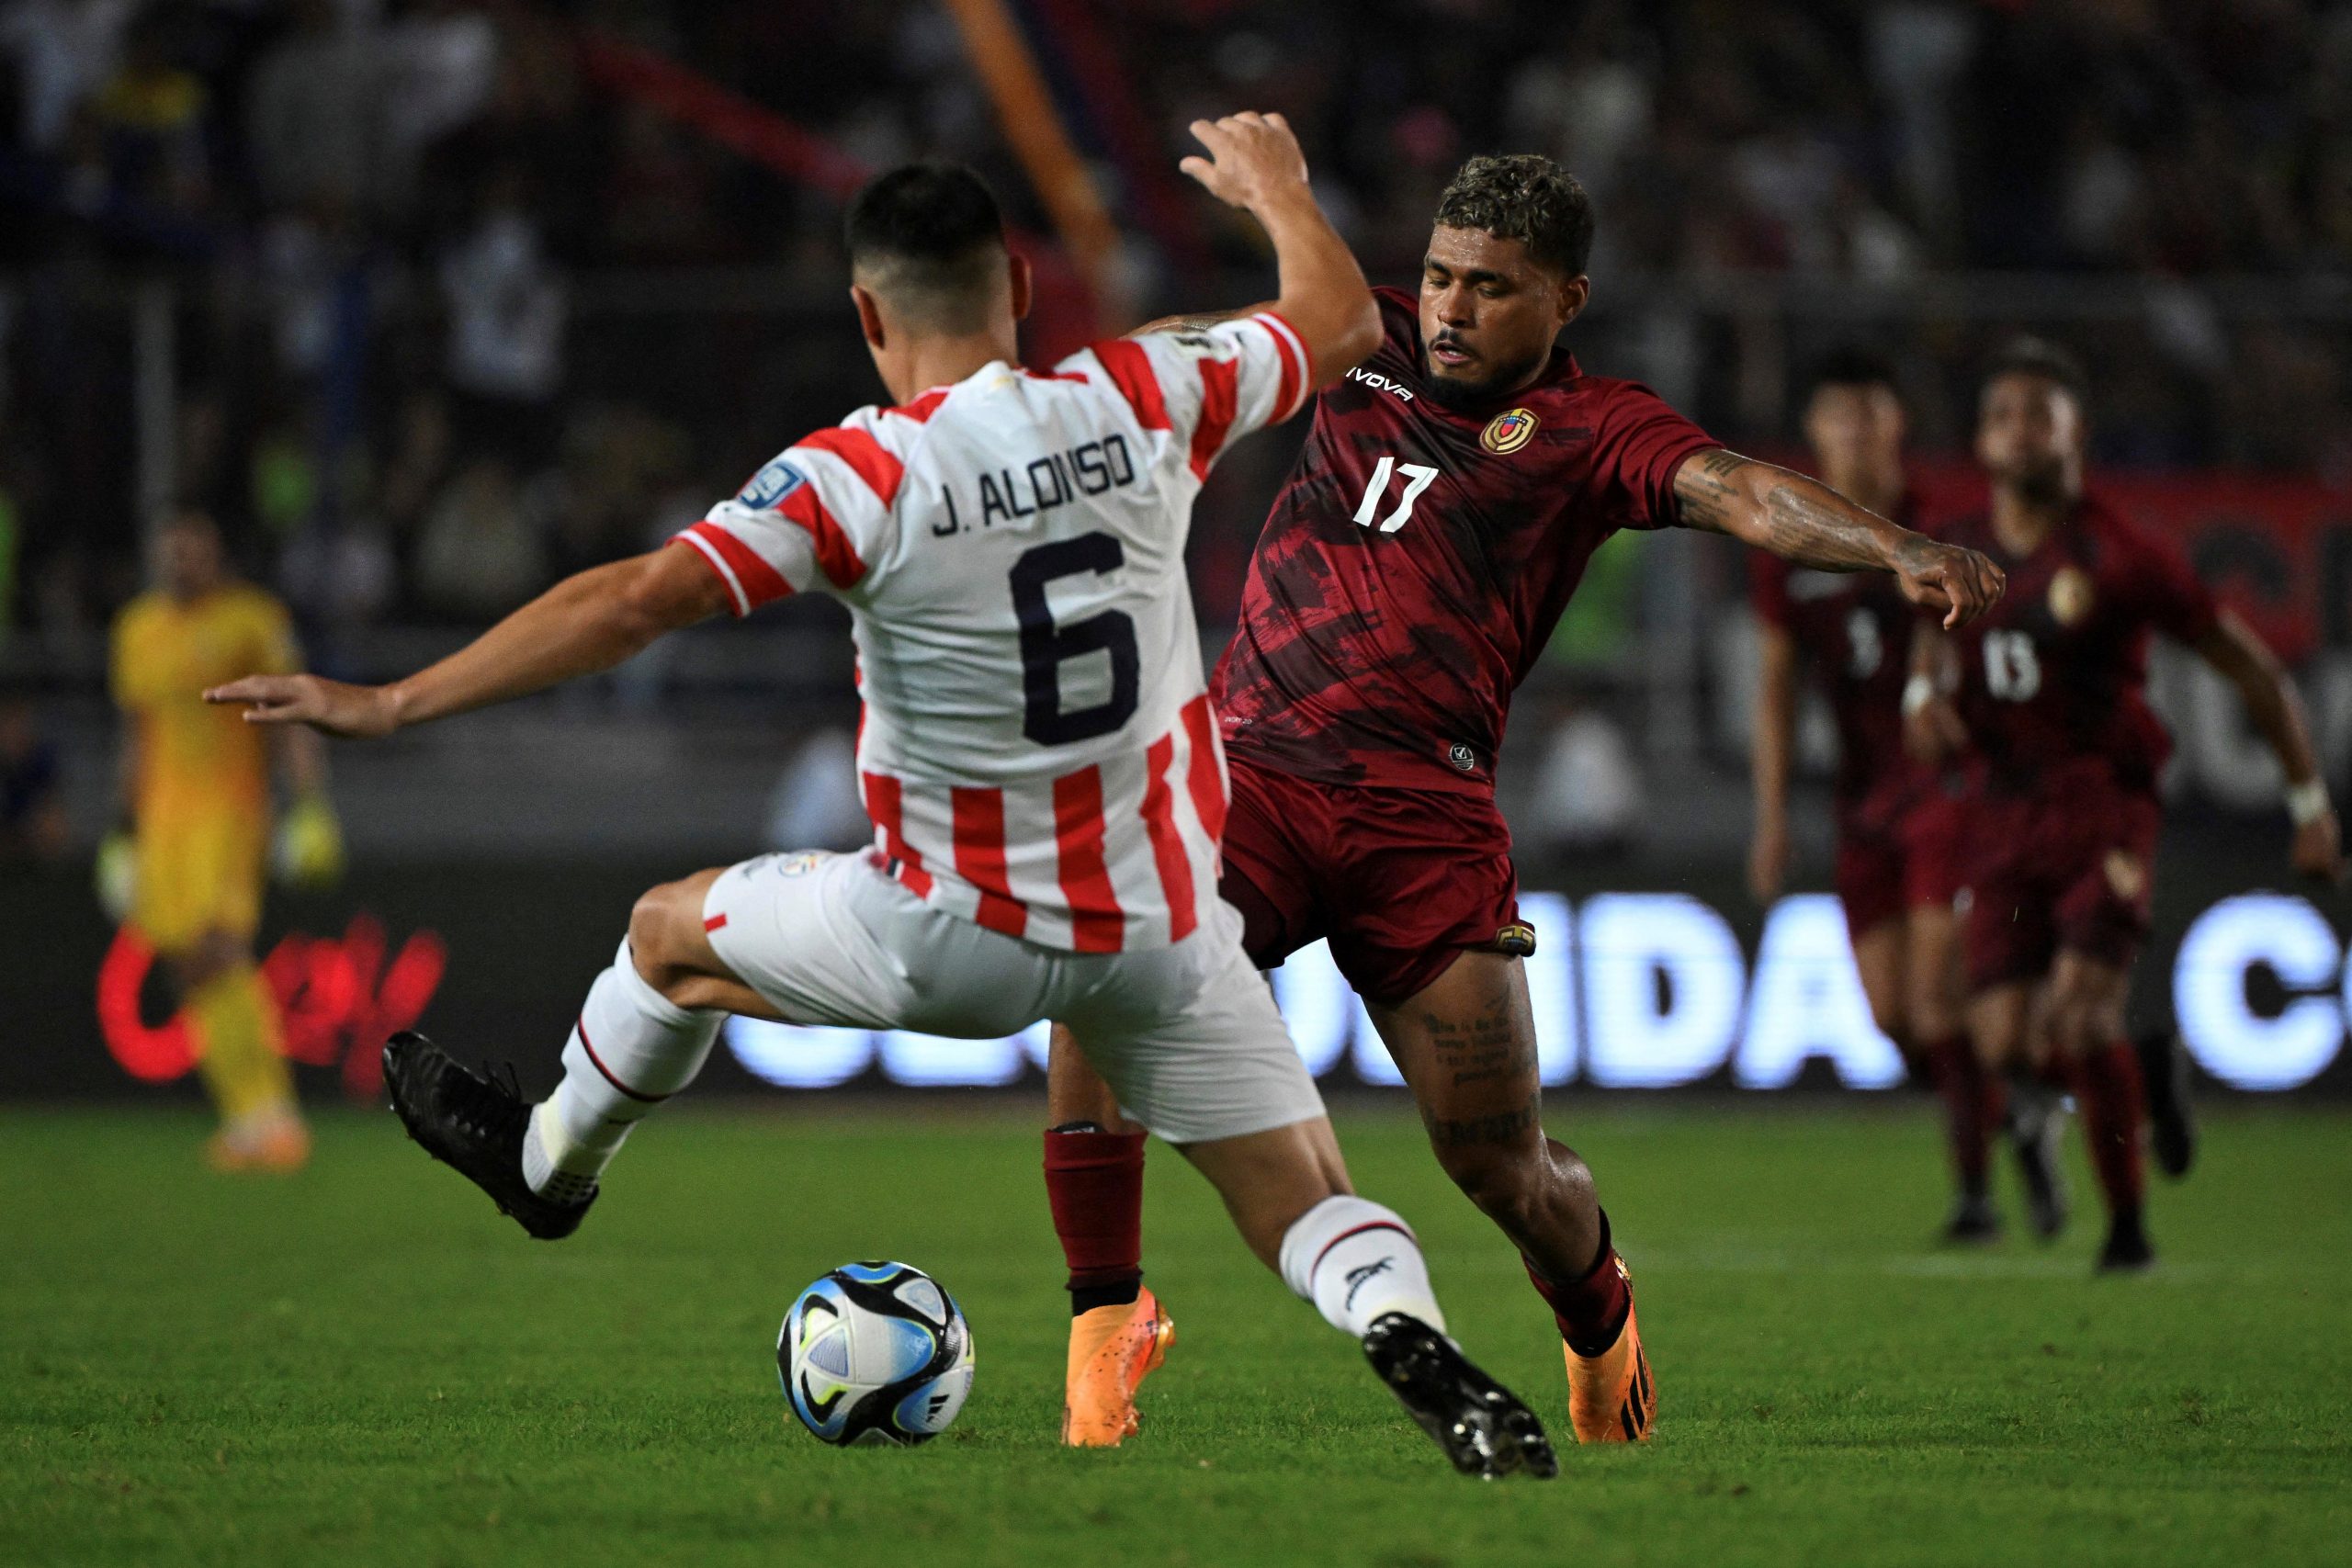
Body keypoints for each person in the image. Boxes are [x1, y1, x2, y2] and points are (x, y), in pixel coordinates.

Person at [209, 122, 1562, 1480]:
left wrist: (390, 703)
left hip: (947, 933)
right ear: (1020, 289)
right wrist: (1279, 190)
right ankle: (1418, 1347)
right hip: (1156, 923)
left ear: (864, 313)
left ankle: (549, 1167)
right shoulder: (1141, 394)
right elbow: (1331, 317)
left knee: (665, 936)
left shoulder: (857, 474)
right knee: (1308, 1196)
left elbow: (629, 602)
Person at [1041, 153, 2006, 1450]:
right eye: (1440, 275)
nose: (1448, 308)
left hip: (1422, 821)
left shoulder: (1596, 428)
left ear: (1567, 300)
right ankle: (1105, 1328)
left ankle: (1599, 1315)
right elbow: (1177, 353)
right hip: (1250, 776)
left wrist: (1894, 544)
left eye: (1490, 289)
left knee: (1497, 1162)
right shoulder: (1355, 335)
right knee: (1098, 986)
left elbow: (1739, 489)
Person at [1906, 338, 2341, 1272]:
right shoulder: (1957, 544)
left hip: (2099, 805)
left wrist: (2309, 804)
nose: (2020, 428)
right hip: (1998, 810)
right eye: (2003, 414)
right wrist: (1921, 702)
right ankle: (2141, 1080)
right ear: (1980, 441)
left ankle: (2128, 1233)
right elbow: (1927, 645)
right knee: (2000, 1043)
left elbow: (2250, 668)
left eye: (2040, 411)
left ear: (2076, 435)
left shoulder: (2122, 555)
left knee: (2074, 1019)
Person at [1747, 348, 2045, 1243]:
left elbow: (1954, 636)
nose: (1856, 431)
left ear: (1896, 426)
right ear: (1813, 431)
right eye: (1839, 415)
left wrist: (1932, 679)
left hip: (1941, 793)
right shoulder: (1789, 540)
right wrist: (1767, 816)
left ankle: (1976, 1198)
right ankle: (2010, 1111)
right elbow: (1775, 685)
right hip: (1858, 803)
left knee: (1933, 1004)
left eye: (1870, 414)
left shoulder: (1936, 526)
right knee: (1891, 1022)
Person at [107, 511, 341, 1170]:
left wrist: (310, 806)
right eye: (171, 553)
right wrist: (122, 834)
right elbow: (137, 734)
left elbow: (289, 717)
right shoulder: (137, 629)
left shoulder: (252, 619)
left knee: (220, 948)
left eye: (193, 552)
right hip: (162, 821)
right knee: (185, 963)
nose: (181, 564)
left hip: (231, 811)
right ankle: (244, 1118)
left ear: (216, 555)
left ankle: (276, 1114)